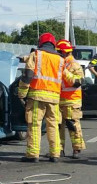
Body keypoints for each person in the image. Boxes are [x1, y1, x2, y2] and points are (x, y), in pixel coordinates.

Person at [17, 33, 62, 162]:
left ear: (40, 43)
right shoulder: (60, 59)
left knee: (34, 125)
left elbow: (28, 75)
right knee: (53, 126)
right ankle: (55, 154)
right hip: (54, 98)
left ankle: (33, 155)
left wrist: (22, 93)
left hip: (37, 96)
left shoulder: (36, 55)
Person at [57, 39, 86, 159]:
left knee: (72, 125)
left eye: (58, 52)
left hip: (71, 101)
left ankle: (77, 149)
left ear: (63, 52)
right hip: (58, 101)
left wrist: (64, 72)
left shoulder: (74, 64)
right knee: (58, 127)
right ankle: (59, 150)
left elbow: (78, 82)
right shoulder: (59, 63)